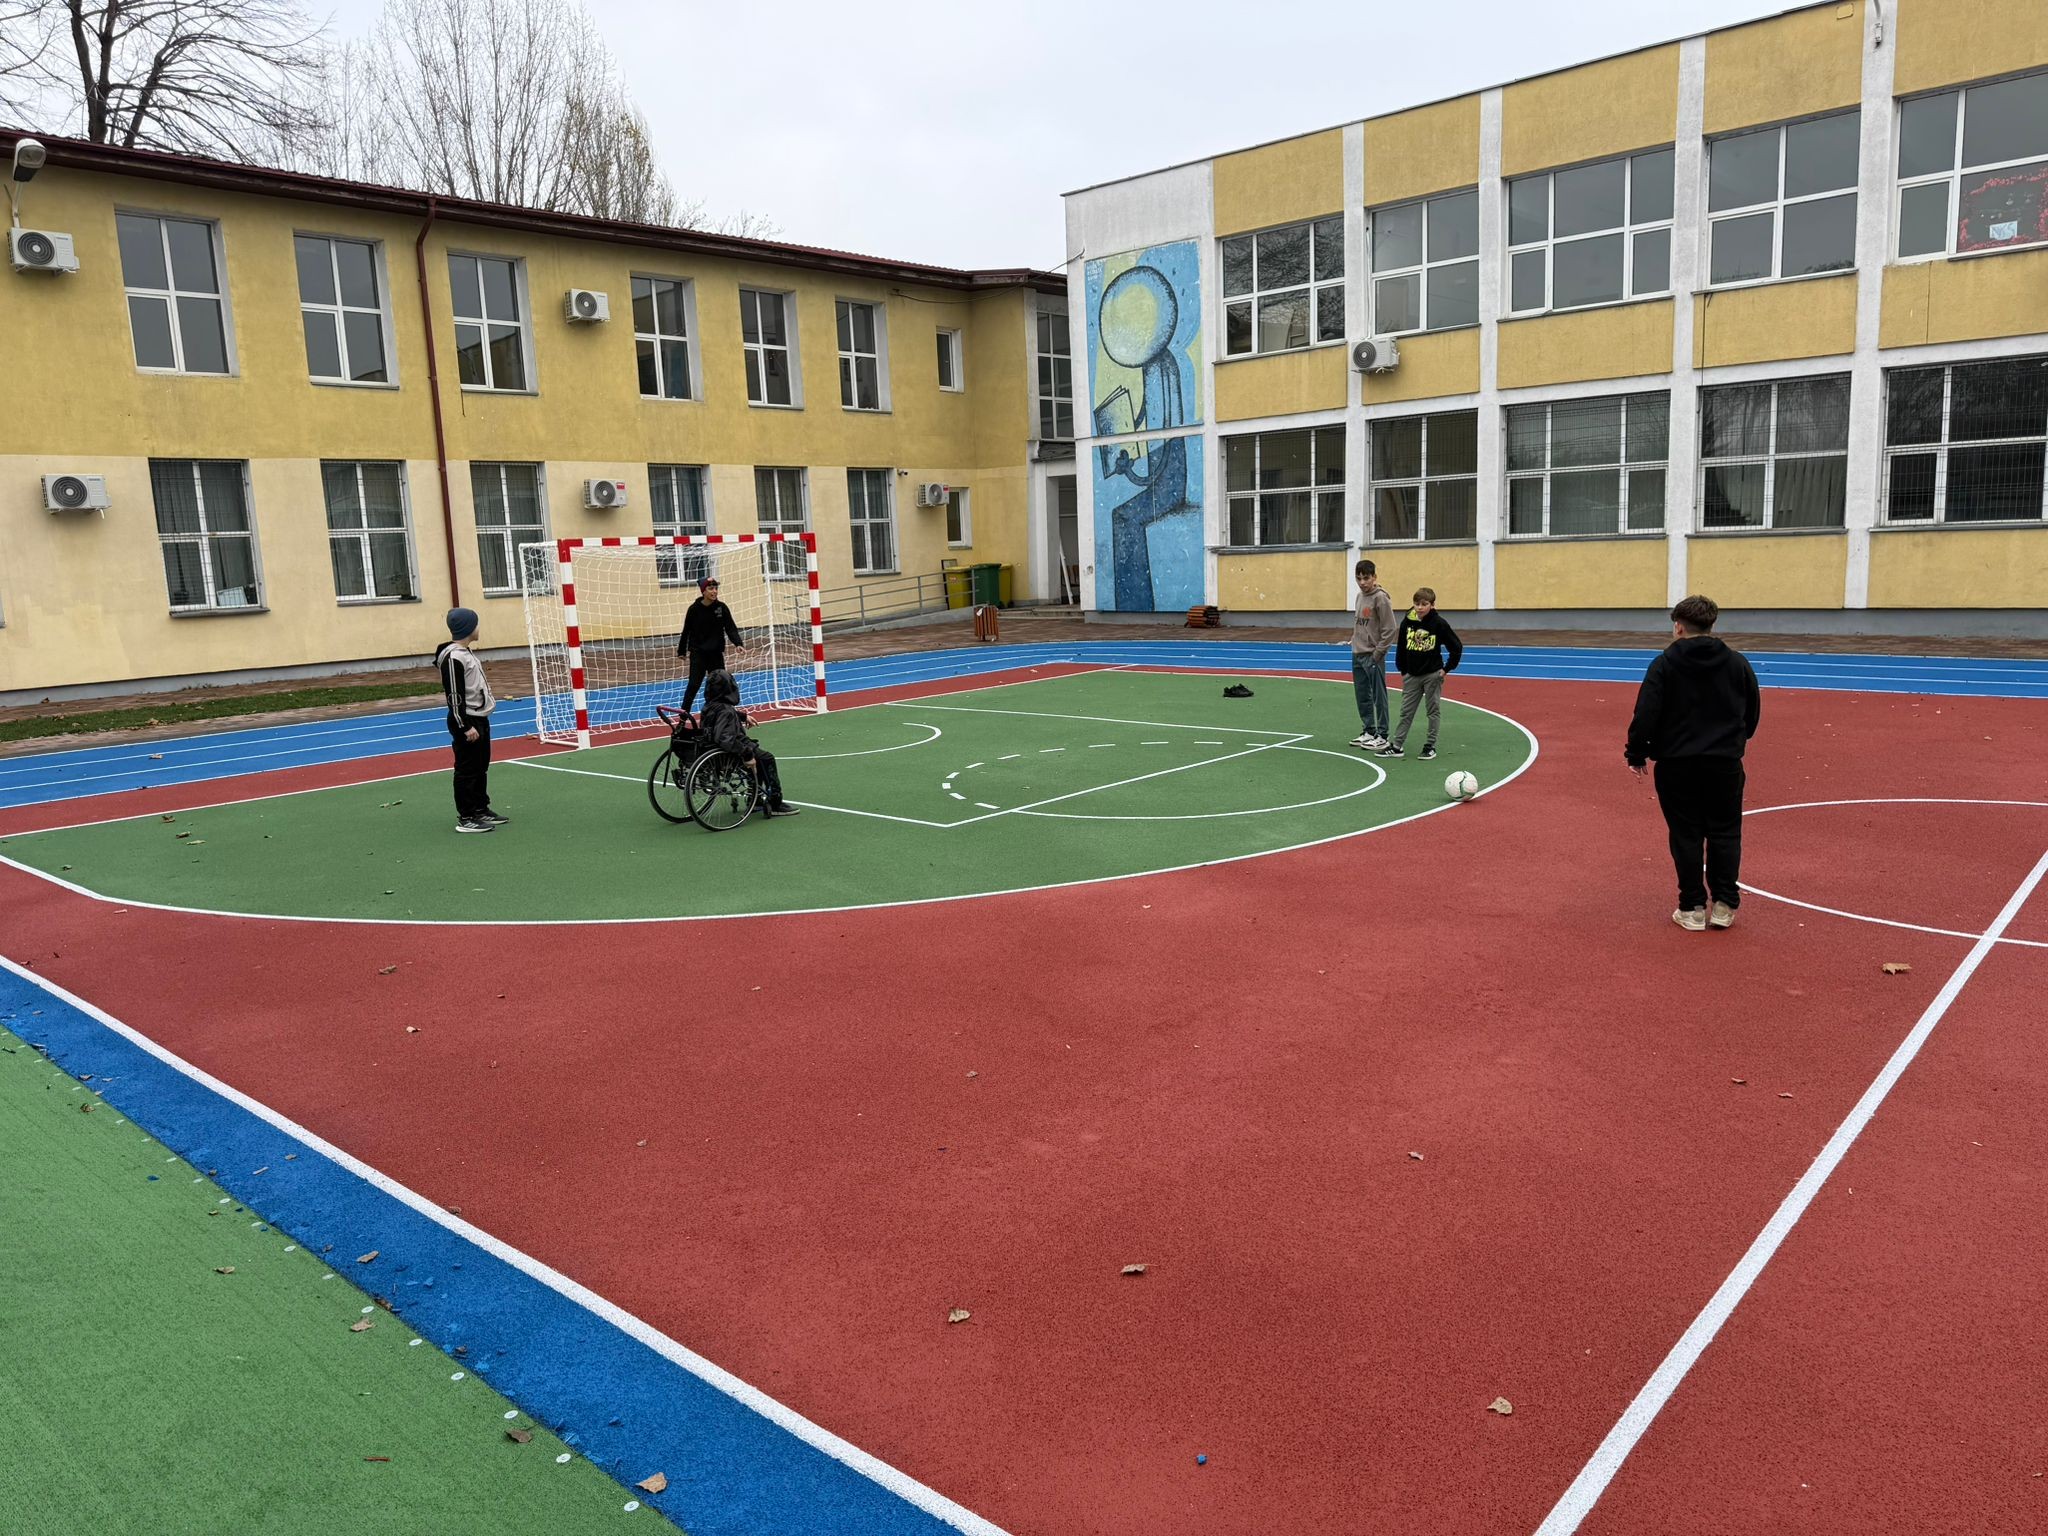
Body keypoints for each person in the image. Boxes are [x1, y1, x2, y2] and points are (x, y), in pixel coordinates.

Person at [1625, 594, 1761, 932]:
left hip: (1677, 763)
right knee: (1725, 831)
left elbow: (1646, 712)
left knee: (1686, 833)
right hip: (1724, 762)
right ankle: (1725, 904)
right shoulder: (1737, 663)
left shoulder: (1664, 665)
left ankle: (1692, 907)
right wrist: (1736, 740)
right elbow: (1752, 710)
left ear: (1678, 626)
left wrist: (1636, 752)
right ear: (1712, 625)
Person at [435, 607, 506, 834]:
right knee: (467, 770)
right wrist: (464, 726)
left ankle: (480, 808)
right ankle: (466, 817)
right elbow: (454, 696)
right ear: (467, 628)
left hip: (479, 717)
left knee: (480, 766)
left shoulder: (465, 653)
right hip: (467, 721)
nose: (478, 628)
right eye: (476, 624)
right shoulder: (453, 657)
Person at [698, 670, 800, 818]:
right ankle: (775, 802)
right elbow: (725, 739)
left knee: (760, 757)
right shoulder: (726, 711)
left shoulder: (709, 706)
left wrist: (743, 716)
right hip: (729, 751)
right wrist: (747, 754)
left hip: (710, 747)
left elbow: (723, 714)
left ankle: (756, 798)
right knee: (766, 758)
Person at [1380, 588, 1462, 761]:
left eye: (1424, 604)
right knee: (1406, 712)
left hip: (1432, 674)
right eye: (1417, 604)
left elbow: (1456, 646)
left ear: (1432, 605)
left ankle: (1430, 746)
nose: (1420, 607)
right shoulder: (1407, 622)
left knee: (1432, 710)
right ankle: (1397, 746)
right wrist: (1403, 670)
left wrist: (1446, 669)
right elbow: (1401, 647)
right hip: (1411, 675)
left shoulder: (1439, 623)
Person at [677, 576, 744, 713]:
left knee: (721, 685)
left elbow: (730, 627)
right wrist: (681, 651)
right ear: (703, 591)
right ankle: (683, 717)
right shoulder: (694, 609)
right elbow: (686, 631)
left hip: (716, 654)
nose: (714, 591)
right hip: (698, 654)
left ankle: (723, 713)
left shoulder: (721, 608)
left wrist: (738, 643)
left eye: (716, 588)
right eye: (711, 588)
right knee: (693, 685)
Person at [1349, 559, 1396, 750]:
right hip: (1357, 653)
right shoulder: (1359, 596)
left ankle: (1382, 734)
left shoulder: (1381, 598)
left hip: (1373, 655)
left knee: (1379, 696)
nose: (1362, 582)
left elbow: (1390, 628)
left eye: (1366, 578)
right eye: (1358, 578)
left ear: (1374, 577)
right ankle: (1368, 730)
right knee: (1362, 695)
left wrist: (1379, 652)